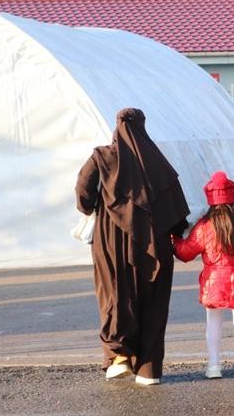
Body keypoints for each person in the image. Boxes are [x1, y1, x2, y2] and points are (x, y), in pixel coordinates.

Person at [75, 108, 191, 386]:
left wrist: (94, 207)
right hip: (155, 243)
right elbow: (177, 213)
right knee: (153, 303)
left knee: (116, 294)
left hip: (111, 242)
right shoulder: (158, 162)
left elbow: (82, 193)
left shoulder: (102, 157)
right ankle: (149, 370)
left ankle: (119, 358)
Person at [173, 171, 234, 381]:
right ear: (232, 198)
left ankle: (214, 366)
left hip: (213, 283)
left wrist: (174, 240)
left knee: (213, 323)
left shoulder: (204, 226)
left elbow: (186, 252)